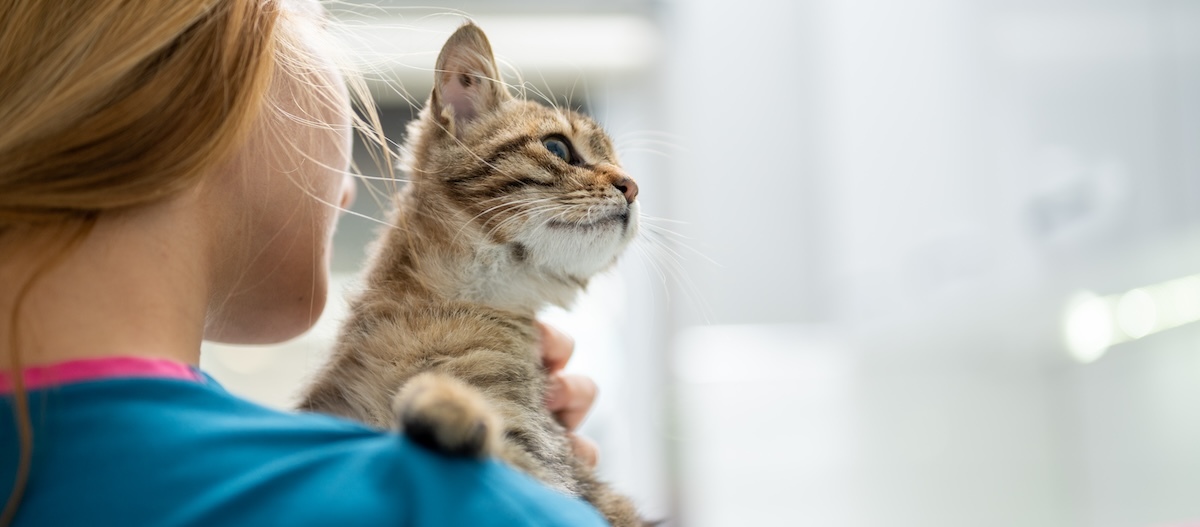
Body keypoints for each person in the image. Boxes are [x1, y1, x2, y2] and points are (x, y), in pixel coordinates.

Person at [0, 1, 607, 525]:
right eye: (314, 14)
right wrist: (500, 499)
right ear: (193, 63)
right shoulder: (447, 505)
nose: (349, 190)